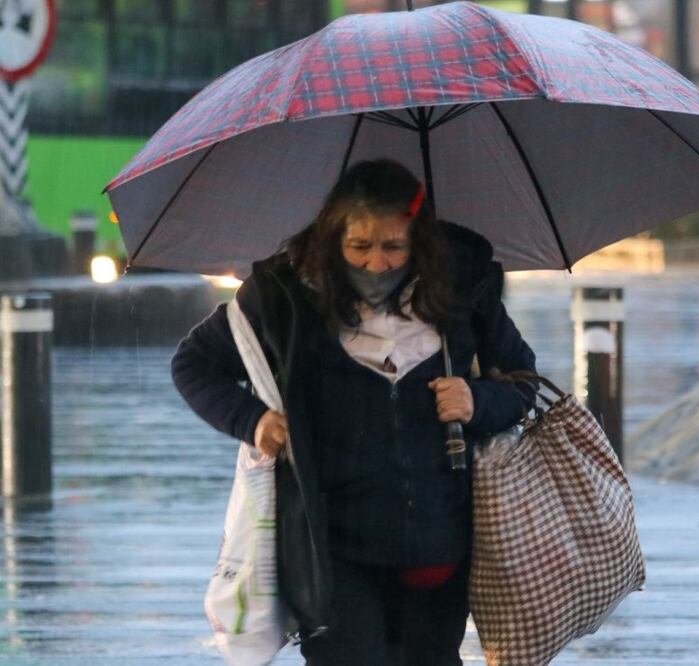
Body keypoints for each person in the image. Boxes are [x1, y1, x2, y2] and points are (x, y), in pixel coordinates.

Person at [172, 158, 537, 665]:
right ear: (332, 237)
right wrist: (253, 421)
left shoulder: (462, 288)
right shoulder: (283, 296)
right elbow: (194, 365)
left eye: (394, 247)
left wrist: (479, 401)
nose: (377, 263)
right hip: (330, 546)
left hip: (442, 540)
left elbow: (521, 380)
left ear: (420, 243)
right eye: (359, 246)